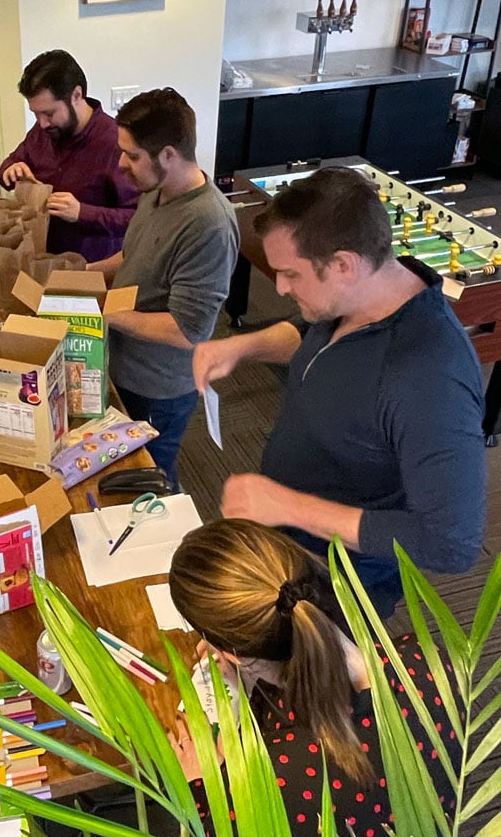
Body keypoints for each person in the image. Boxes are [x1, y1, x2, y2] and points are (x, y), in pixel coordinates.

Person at [193, 166, 486, 616]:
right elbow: (316, 341)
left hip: (340, 584)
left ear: (344, 264)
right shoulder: (356, 297)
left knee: (311, 684)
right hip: (285, 540)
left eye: (290, 273)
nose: (280, 287)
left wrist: (288, 506)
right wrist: (246, 346)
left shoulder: (430, 376)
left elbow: (450, 542)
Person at [166, 517, 459, 837]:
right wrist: (250, 669)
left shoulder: (263, 783)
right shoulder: (431, 667)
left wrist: (199, 789)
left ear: (229, 653)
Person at [87, 88, 239, 489]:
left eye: (132, 155)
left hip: (158, 388)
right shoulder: (155, 191)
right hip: (124, 367)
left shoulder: (208, 224)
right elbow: (133, 256)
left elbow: (187, 330)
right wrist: (85, 274)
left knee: (150, 478)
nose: (122, 164)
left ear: (169, 154)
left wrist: (108, 313)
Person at [0, 49, 139, 262]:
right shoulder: (43, 131)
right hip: (42, 257)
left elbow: (139, 218)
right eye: (35, 114)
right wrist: (11, 168)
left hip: (93, 268)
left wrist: (82, 212)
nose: (42, 122)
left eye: (49, 113)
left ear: (76, 96)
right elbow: (11, 165)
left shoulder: (115, 142)